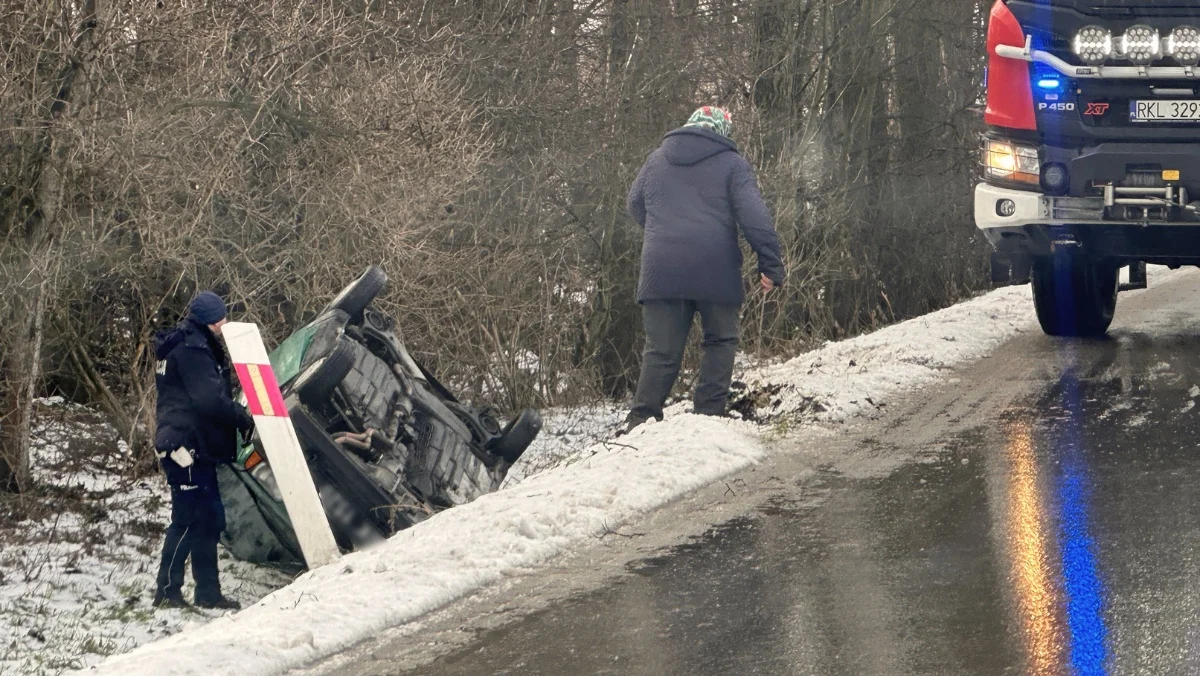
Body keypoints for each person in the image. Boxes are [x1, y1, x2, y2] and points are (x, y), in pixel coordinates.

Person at [622, 106, 785, 434]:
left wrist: (662, 232)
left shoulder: (657, 160)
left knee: (661, 351)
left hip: (661, 270)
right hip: (715, 267)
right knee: (720, 340)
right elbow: (754, 216)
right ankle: (708, 418)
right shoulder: (732, 164)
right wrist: (770, 264)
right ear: (722, 132)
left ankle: (640, 422)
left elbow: (634, 204)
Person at [151, 291, 254, 610]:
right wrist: (241, 417)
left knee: (209, 518)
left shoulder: (181, 343)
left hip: (193, 444)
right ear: (214, 319)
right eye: (222, 318)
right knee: (188, 518)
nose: (224, 324)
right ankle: (167, 592)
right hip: (186, 445)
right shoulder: (193, 348)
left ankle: (208, 592)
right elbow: (208, 399)